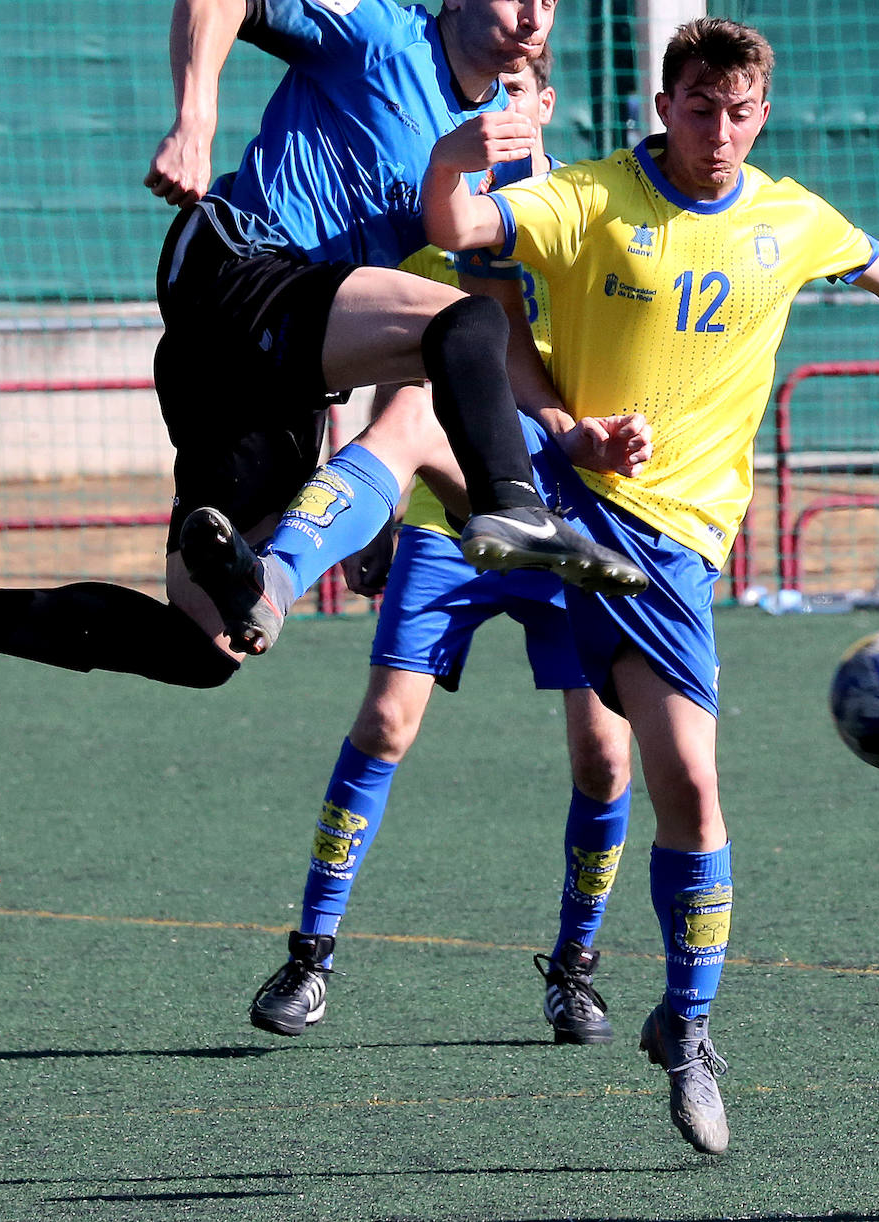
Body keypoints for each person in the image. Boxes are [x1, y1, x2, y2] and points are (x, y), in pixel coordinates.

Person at [413, 17, 879, 1155]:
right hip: (580, 511)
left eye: (741, 111)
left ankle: (679, 1024)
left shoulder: (786, 219)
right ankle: (639, 1004)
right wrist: (468, 143)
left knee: (673, 783)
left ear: (765, 112)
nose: (721, 131)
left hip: (680, 546)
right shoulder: (592, 197)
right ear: (663, 103)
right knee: (649, 769)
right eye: (701, 107)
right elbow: (455, 234)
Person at [0, 0, 644, 728]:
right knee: (462, 325)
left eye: (548, 0)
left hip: (276, 357)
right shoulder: (382, 34)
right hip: (233, 265)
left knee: (208, 641)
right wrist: (196, 122)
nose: (532, 19)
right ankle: (513, 508)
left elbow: (430, 322)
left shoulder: (504, 146)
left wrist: (558, 428)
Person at [248, 57, 636, 1046]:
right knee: (383, 724)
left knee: (603, 755)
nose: (499, 107)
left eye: (519, 89)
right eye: (485, 90)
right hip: (451, 514)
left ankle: (576, 968)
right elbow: (401, 376)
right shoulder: (442, 219)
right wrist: (372, 518)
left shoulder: (587, 215)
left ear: (549, 103)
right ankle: (311, 954)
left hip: (571, 513)